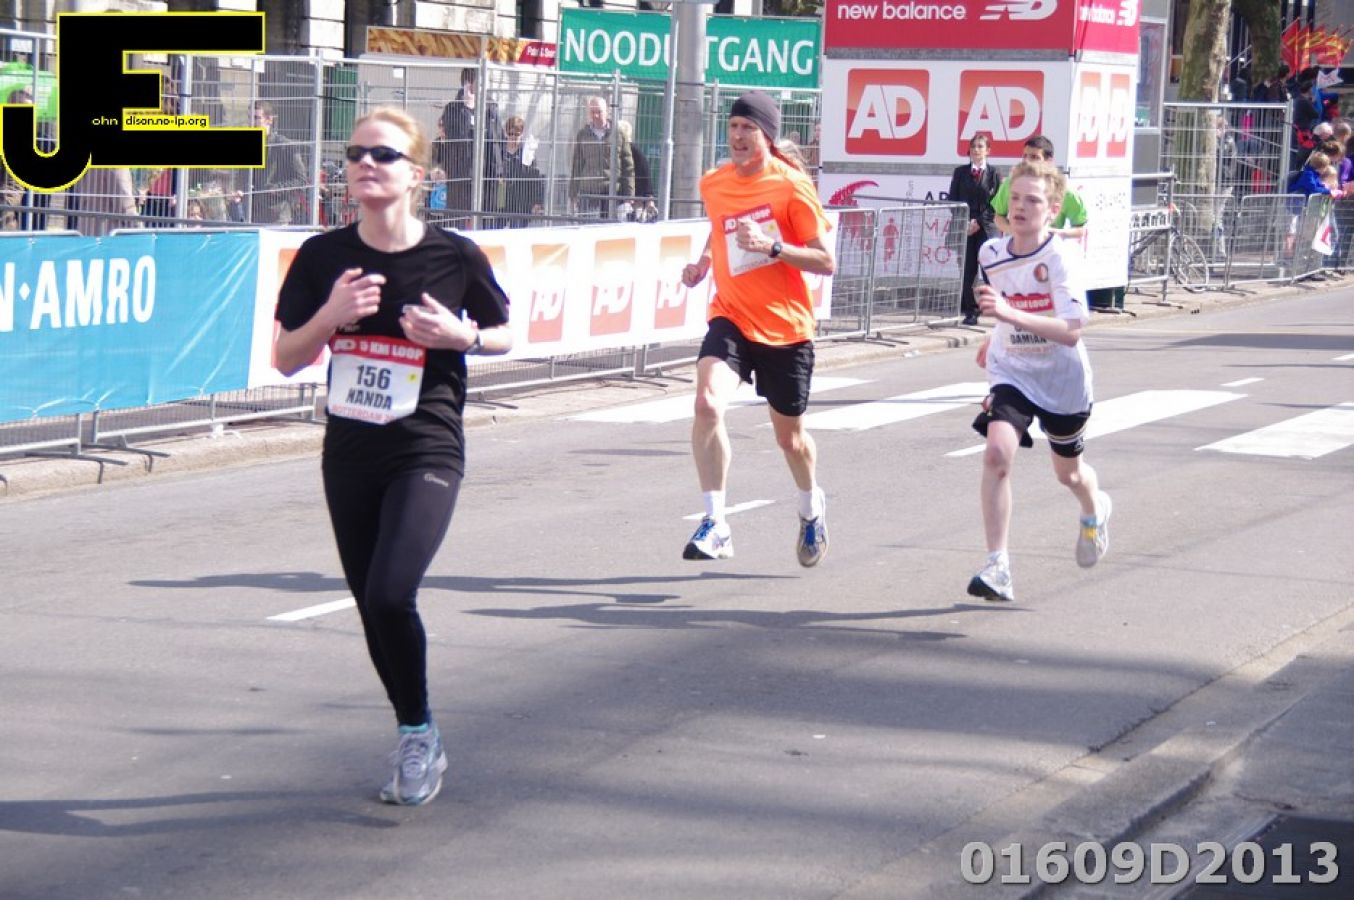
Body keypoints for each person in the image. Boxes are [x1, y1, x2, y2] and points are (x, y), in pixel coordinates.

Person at [273, 106, 513, 806]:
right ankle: (419, 729)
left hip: (425, 446)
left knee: (388, 592)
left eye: (383, 155)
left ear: (417, 175)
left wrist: (462, 337)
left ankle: (415, 736)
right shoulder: (322, 257)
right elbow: (285, 357)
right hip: (350, 452)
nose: (365, 165)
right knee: (370, 605)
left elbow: (502, 331)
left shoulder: (454, 256)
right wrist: (331, 315)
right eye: (356, 154)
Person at [678, 91, 835, 567]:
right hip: (731, 315)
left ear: (766, 135)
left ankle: (810, 506)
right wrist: (704, 263)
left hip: (786, 328)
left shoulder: (791, 187)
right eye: (733, 127)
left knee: (790, 440)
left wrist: (772, 247)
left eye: (748, 128)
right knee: (707, 403)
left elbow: (825, 260)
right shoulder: (714, 183)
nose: (739, 136)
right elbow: (719, 227)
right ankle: (716, 523)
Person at [966, 159, 1110, 603]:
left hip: (1062, 379)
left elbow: (1071, 331)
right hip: (1012, 369)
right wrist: (996, 335)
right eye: (1016, 198)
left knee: (1069, 475)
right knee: (996, 453)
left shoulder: (1061, 257)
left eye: (1033, 200)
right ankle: (998, 566)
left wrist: (1008, 315)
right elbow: (1004, 305)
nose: (1021, 207)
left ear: (1052, 210)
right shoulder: (991, 254)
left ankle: (1094, 509)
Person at [435, 68, 502, 226]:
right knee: (458, 223)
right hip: (461, 176)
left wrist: (500, 168)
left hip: (488, 175)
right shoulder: (453, 109)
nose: (485, 86)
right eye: (481, 82)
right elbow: (456, 138)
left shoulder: (491, 107)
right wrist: (466, 109)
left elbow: (499, 138)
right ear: (469, 84)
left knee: (486, 222)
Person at [948, 133, 1002, 326]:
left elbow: (996, 204)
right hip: (965, 227)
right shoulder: (960, 172)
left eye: (980, 146)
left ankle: (997, 309)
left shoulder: (994, 174)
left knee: (990, 270)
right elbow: (952, 200)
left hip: (986, 227)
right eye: (973, 146)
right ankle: (971, 310)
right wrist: (966, 222)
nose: (976, 150)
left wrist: (978, 222)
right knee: (967, 269)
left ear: (988, 151)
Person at [991, 136, 1086, 241]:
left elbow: (1081, 229)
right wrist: (1016, 232)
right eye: (1025, 156)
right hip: (1015, 246)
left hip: (1048, 247)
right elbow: (998, 217)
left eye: (1034, 157)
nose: (1027, 161)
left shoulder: (1065, 191)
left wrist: (1053, 233)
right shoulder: (1011, 183)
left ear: (1049, 161)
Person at [569, 95, 634, 218]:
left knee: (609, 227)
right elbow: (577, 165)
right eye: (592, 112)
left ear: (607, 111)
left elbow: (628, 166)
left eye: (599, 112)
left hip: (612, 192)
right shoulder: (583, 135)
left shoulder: (618, 134)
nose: (595, 115)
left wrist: (629, 196)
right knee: (586, 226)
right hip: (588, 192)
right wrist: (573, 194)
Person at [252, 100, 309, 224]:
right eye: (249, 117)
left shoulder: (285, 146)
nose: (251, 122)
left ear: (269, 120)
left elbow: (302, 180)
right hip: (252, 214)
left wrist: (276, 189)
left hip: (277, 215)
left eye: (256, 118)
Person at [499, 115, 544, 228]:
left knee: (517, 231)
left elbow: (535, 177)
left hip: (520, 200)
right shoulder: (499, 151)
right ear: (506, 133)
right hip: (501, 196)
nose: (513, 137)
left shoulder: (527, 153)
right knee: (497, 230)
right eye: (510, 134)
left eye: (517, 134)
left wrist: (537, 201)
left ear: (522, 134)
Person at [615, 119, 657, 222]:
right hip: (629, 194)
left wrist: (648, 197)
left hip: (636, 196)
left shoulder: (633, 151)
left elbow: (645, 172)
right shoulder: (623, 149)